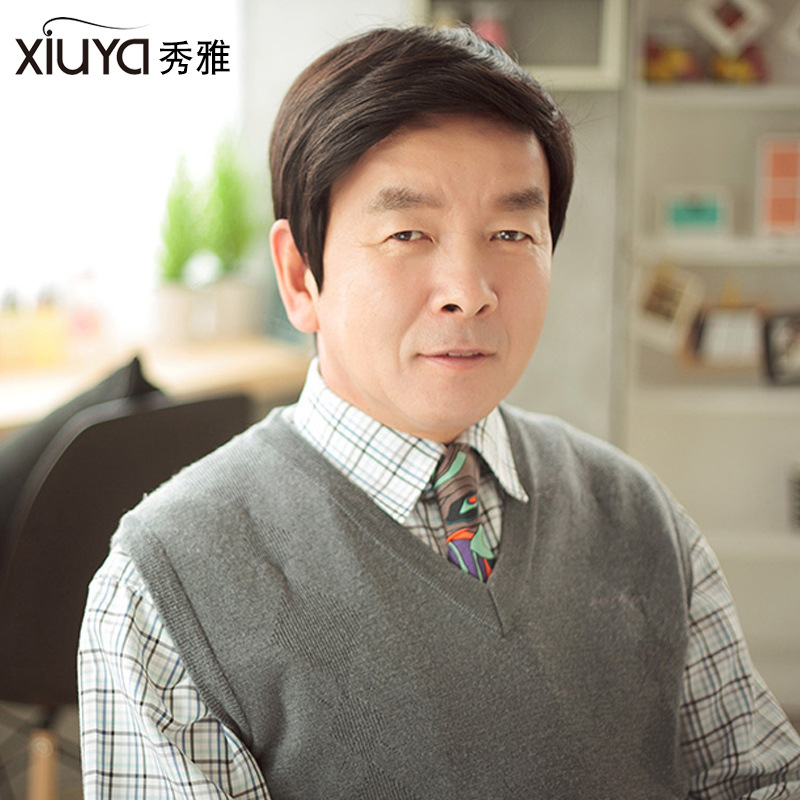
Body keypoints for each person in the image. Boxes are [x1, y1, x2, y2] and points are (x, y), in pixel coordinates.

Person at [78, 24, 800, 799]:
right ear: (299, 276)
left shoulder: (636, 515)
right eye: (408, 232)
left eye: (511, 232)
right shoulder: (166, 583)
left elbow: (758, 780)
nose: (470, 291)